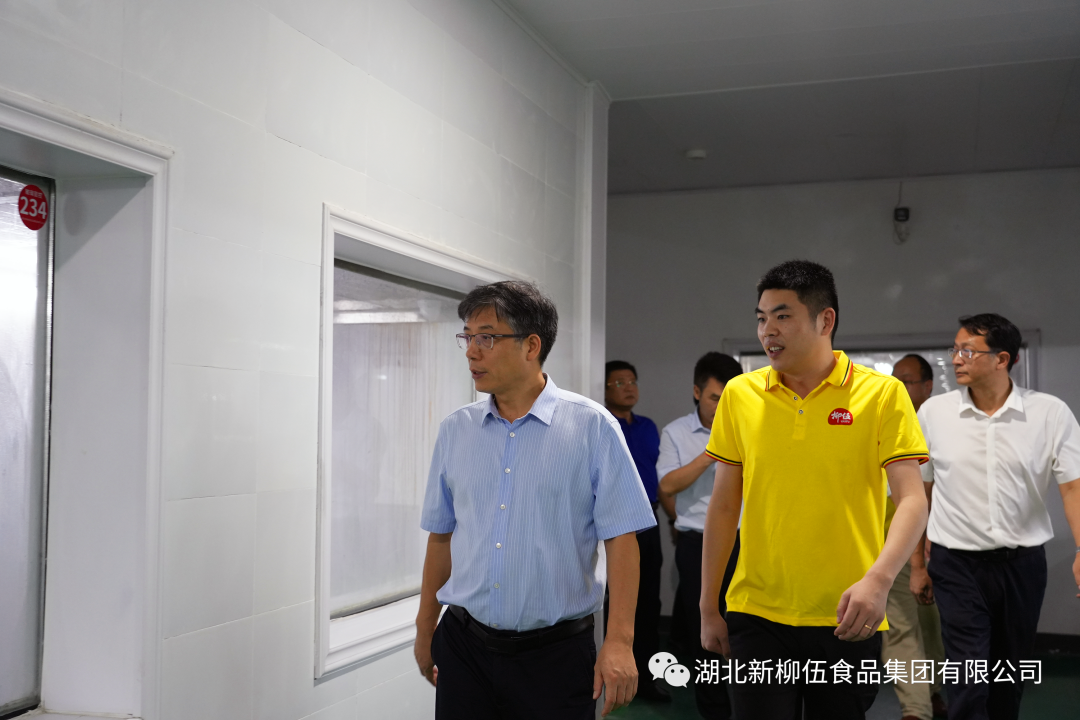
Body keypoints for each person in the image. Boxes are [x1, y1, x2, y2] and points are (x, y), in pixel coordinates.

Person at [413, 280, 657, 720]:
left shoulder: (592, 427)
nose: (472, 352)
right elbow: (441, 536)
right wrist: (425, 626)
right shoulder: (456, 430)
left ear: (531, 345)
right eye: (467, 337)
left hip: (555, 656)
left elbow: (622, 540)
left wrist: (620, 641)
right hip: (464, 647)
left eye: (487, 337)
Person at [699, 259, 930, 720]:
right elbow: (724, 506)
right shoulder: (740, 396)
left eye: (783, 316)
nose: (768, 331)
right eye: (761, 318)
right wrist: (709, 605)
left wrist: (879, 581)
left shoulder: (882, 395)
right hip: (756, 613)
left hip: (849, 613)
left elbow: (911, 499)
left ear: (826, 320)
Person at [916, 314, 1080, 720]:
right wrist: (917, 564)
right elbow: (921, 493)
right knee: (968, 676)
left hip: (1022, 566)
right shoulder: (935, 413)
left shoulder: (1049, 413)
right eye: (955, 349)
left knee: (1008, 675)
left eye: (967, 351)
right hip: (956, 564)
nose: (956, 359)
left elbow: (1073, 488)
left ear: (1002, 359)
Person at [657, 351, 744, 719]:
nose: (721, 407)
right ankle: (715, 712)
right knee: (703, 632)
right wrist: (712, 452)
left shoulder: (750, 428)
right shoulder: (676, 432)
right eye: (714, 398)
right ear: (697, 392)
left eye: (728, 399)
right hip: (697, 544)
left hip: (747, 543)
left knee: (747, 628)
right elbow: (667, 484)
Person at [886, 354, 948, 720]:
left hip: (938, 542)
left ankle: (934, 692)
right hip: (893, 539)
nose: (898, 387)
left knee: (932, 622)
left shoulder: (941, 426)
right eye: (894, 379)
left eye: (906, 381)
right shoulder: (884, 420)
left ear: (927, 386)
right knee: (898, 625)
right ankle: (916, 709)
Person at [603, 360, 669, 702]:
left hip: (648, 522)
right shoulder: (602, 426)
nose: (629, 387)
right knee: (609, 600)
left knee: (648, 603)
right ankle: (605, 678)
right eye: (619, 383)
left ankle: (646, 680)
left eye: (632, 381)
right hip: (610, 526)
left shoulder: (648, 427)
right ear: (604, 389)